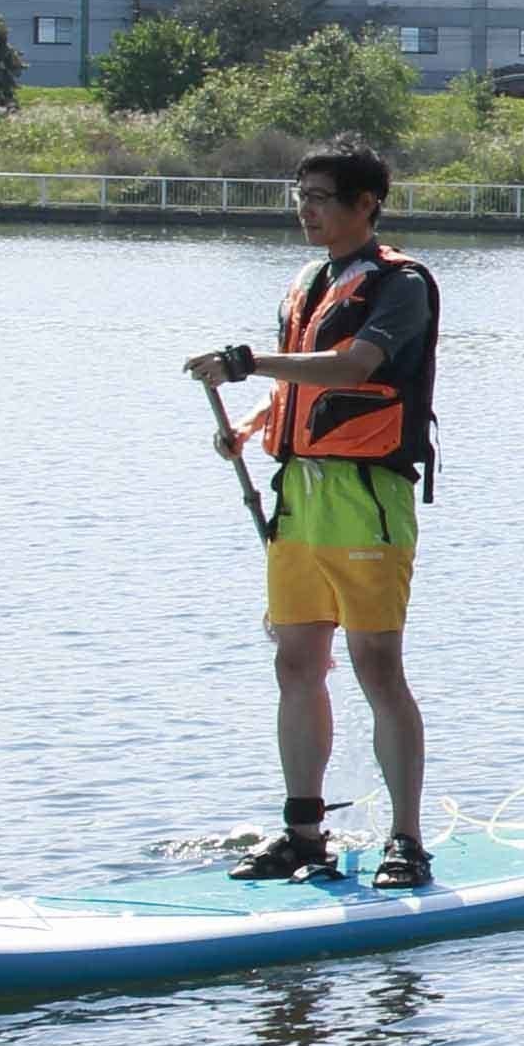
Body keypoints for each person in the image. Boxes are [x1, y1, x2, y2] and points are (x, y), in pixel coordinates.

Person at [188, 140, 443, 884]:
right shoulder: (305, 282)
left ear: (366, 204)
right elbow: (301, 391)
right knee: (296, 663)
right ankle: (304, 833)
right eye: (300, 195)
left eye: (322, 196)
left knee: (376, 668)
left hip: (368, 500)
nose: (307, 208)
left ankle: (406, 840)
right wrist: (251, 426)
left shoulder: (401, 285)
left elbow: (354, 369)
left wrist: (244, 362)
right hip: (299, 500)